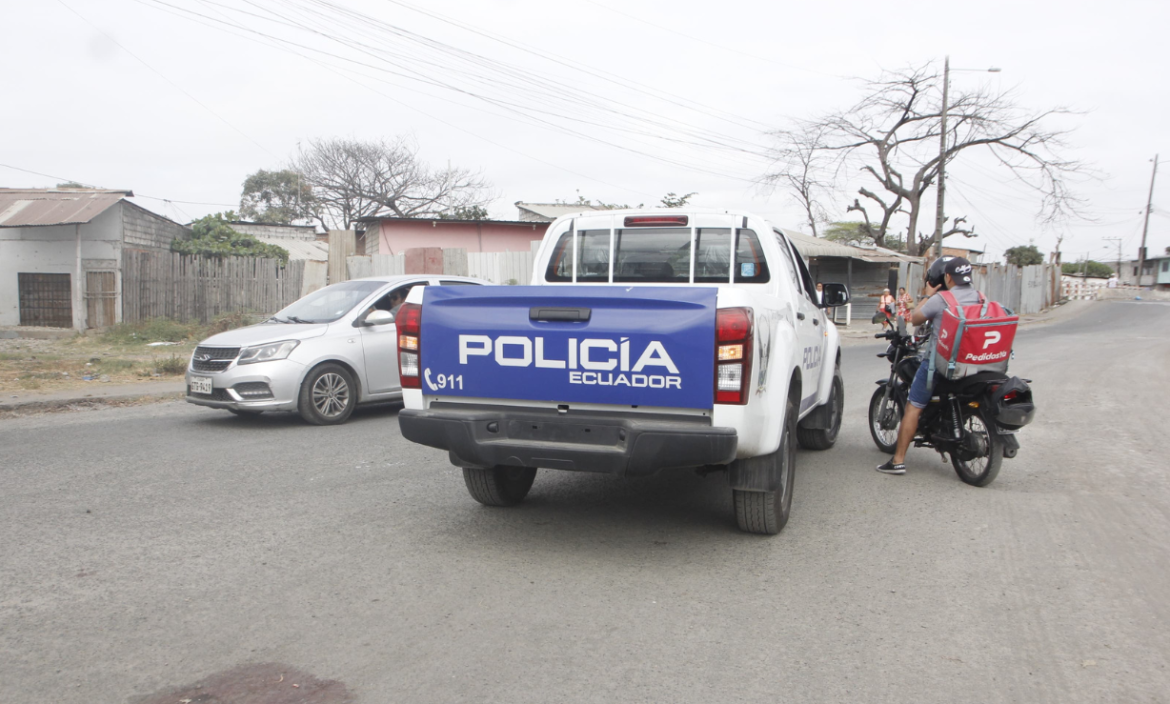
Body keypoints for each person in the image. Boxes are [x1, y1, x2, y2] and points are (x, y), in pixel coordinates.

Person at [876, 257, 982, 475]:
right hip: (970, 364)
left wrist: (928, 295)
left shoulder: (942, 298)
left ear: (948, 277)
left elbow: (914, 319)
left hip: (940, 365)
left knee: (913, 407)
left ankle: (897, 461)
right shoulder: (980, 297)